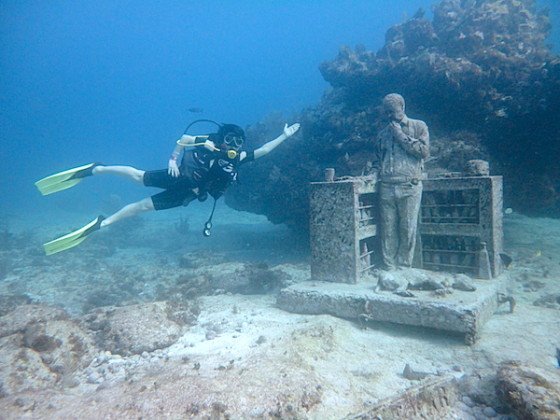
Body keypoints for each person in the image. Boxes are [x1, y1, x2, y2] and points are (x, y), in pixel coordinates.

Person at [36, 121, 300, 255]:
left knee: (141, 207)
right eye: (230, 139)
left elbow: (263, 150)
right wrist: (173, 159)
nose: (233, 145)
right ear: (221, 138)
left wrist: (285, 136)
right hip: (178, 176)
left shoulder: (237, 158)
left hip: (186, 194)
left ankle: (101, 224)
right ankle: (96, 169)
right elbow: (183, 139)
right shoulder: (207, 142)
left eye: (238, 142)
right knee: (138, 177)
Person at [371, 93, 429, 270]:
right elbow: (377, 160)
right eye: (386, 112)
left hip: (409, 186)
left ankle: (404, 267)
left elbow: (424, 151)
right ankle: (389, 267)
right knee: (387, 230)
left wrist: (400, 135)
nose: (389, 116)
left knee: (407, 228)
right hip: (387, 186)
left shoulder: (419, 126)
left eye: (393, 112)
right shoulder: (382, 134)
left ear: (402, 108)